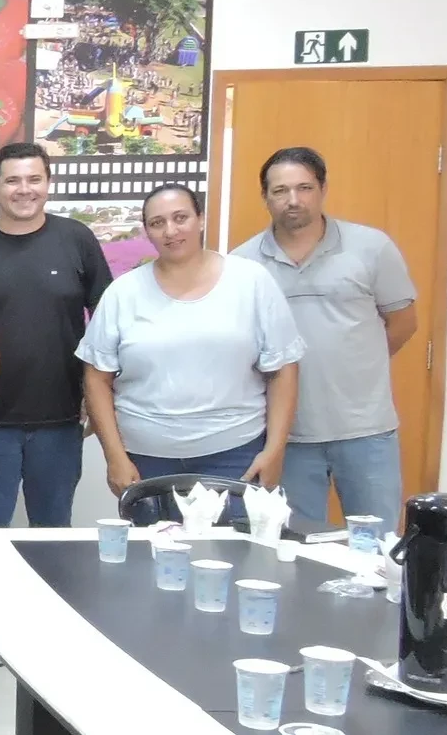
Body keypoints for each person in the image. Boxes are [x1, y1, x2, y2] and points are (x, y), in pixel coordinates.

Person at [80, 185, 304, 507]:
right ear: (147, 231)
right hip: (146, 461)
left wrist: (274, 451)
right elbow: (96, 379)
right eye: (157, 223)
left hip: (236, 457)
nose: (170, 231)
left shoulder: (251, 281)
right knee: (153, 554)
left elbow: (283, 370)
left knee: (234, 554)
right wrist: (114, 457)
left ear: (200, 219)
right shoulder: (123, 293)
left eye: (180, 217)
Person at [233, 146, 418, 525]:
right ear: (265, 197)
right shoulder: (242, 264)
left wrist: (355, 366)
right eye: (280, 191)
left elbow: (403, 323)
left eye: (304, 188)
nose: (293, 200)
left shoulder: (370, 248)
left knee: (376, 547)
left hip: (366, 431)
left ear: (322, 189)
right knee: (296, 549)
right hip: (288, 438)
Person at [0, 142, 112, 529]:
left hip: (60, 419)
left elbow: (106, 322)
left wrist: (98, 394)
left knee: (53, 531)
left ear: (49, 183)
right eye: (13, 180)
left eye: (34, 179)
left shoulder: (77, 239)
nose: (24, 189)